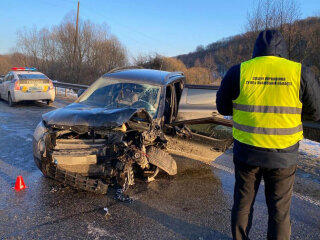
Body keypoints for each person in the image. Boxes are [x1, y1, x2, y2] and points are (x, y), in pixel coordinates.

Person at [216, 30, 320, 240]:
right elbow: (316, 111)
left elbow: (222, 107)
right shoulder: (299, 72)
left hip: (247, 152)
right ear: (282, 50)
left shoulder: (240, 71)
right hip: (283, 155)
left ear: (256, 50)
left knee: (243, 204)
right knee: (279, 211)